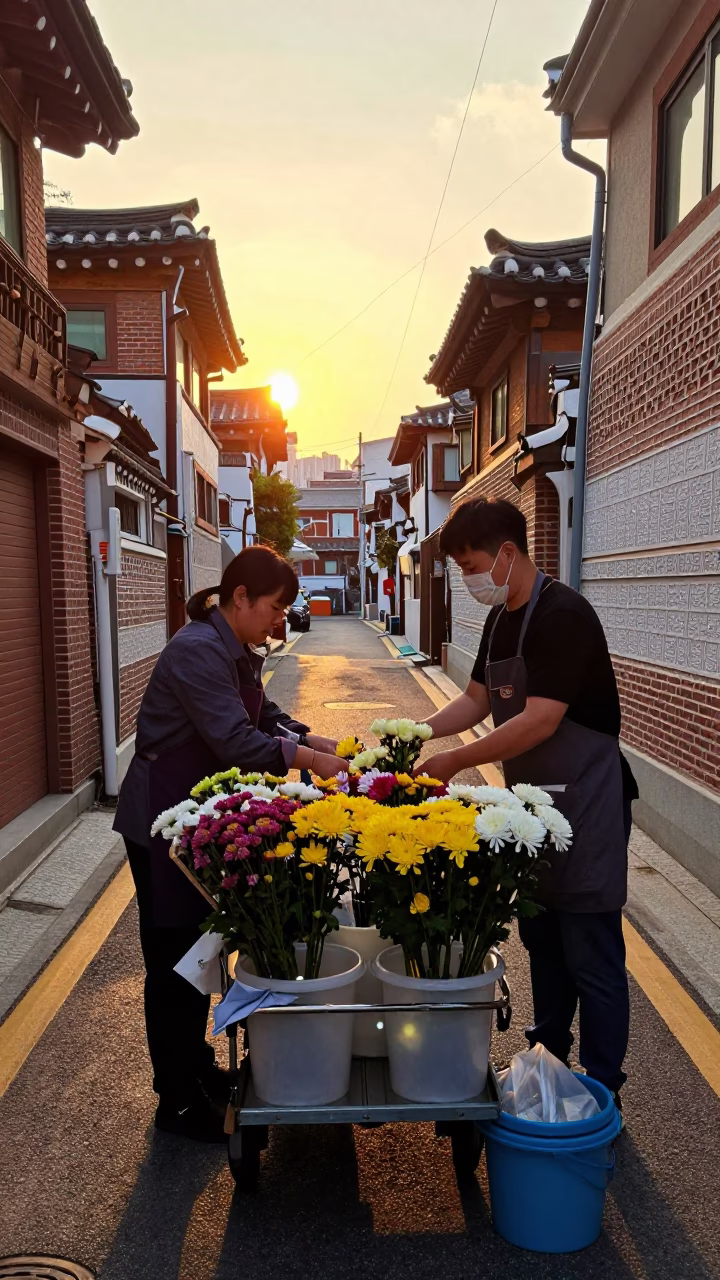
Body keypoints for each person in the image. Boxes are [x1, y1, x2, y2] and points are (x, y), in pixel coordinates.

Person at [114, 546, 346, 1142]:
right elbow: (235, 738)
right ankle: (177, 1100)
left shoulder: (231, 646)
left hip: (199, 819)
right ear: (239, 597)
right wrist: (311, 758)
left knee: (200, 952)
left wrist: (308, 734)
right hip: (165, 821)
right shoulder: (196, 650)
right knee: (173, 961)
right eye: (275, 606)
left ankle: (196, 1072)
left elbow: (261, 713)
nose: (279, 620)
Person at [418, 497, 638, 1108]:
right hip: (532, 810)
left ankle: (599, 1087)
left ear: (508, 553)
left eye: (471, 565)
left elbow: (540, 720)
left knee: (590, 949)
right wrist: (415, 732)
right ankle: (548, 1058)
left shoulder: (563, 615)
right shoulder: (502, 619)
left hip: (587, 806)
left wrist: (459, 760)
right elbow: (475, 700)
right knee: (541, 936)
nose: (468, 579)